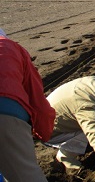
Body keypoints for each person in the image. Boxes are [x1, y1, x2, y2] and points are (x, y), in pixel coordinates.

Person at [0, 28, 56, 181]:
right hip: (6, 117)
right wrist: (43, 134)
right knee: (26, 174)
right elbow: (37, 101)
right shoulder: (10, 48)